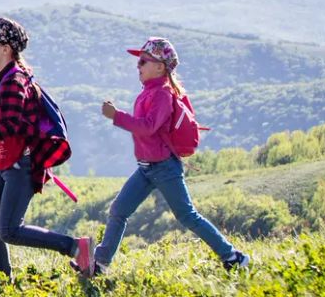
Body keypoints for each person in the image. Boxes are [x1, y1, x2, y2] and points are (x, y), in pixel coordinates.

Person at [0, 16, 92, 276]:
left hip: (21, 163)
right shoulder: (4, 79)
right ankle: (3, 282)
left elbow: (12, 127)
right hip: (5, 161)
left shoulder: (13, 82)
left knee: (9, 229)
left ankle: (76, 247)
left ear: (6, 49)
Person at [92, 37, 249, 274]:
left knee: (187, 215)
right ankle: (100, 264)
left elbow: (148, 126)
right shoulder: (150, 91)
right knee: (118, 210)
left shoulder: (163, 94)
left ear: (160, 66)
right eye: (139, 61)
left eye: (144, 61)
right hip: (146, 167)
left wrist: (116, 116)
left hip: (164, 167)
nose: (139, 66)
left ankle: (233, 256)